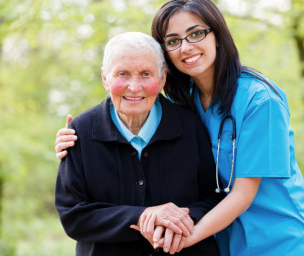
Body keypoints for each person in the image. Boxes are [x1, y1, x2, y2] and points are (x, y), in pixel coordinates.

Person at [56, 0, 304, 256]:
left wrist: (180, 238)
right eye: (173, 41)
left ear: (217, 35)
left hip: (278, 240)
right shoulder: (186, 102)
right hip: (226, 239)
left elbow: (242, 194)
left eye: (196, 34)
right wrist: (80, 138)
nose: (186, 47)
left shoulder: (260, 101)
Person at [54, 31, 224, 256]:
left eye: (146, 74)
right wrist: (143, 216)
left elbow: (215, 198)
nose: (134, 87)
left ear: (162, 78)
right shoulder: (80, 133)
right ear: (105, 79)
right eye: (123, 74)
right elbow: (73, 215)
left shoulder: (190, 126)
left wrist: (180, 220)